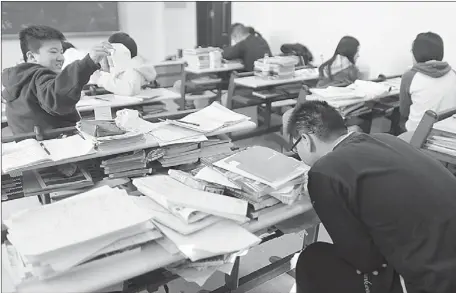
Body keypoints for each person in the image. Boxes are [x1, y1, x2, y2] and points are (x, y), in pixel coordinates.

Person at [286, 100, 456, 293]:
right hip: (446, 260)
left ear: (306, 140)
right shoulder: (386, 139)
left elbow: (365, 261)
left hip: (433, 283)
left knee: (311, 258)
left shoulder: (324, 171)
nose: (298, 154)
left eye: (295, 147)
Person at [1, 25, 112, 136]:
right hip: (59, 147)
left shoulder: (18, 79)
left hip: (34, 147)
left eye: (61, 52)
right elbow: (57, 98)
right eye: (53, 52)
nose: (61, 58)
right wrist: (88, 63)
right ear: (32, 57)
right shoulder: (39, 76)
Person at [399, 32, 456, 133]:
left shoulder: (410, 76)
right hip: (446, 133)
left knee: (396, 118)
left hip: (417, 135)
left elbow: (404, 111)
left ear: (417, 53)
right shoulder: (453, 74)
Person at [92, 32, 157, 96]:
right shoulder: (124, 64)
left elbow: (129, 90)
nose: (110, 55)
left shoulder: (134, 68)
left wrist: (101, 79)